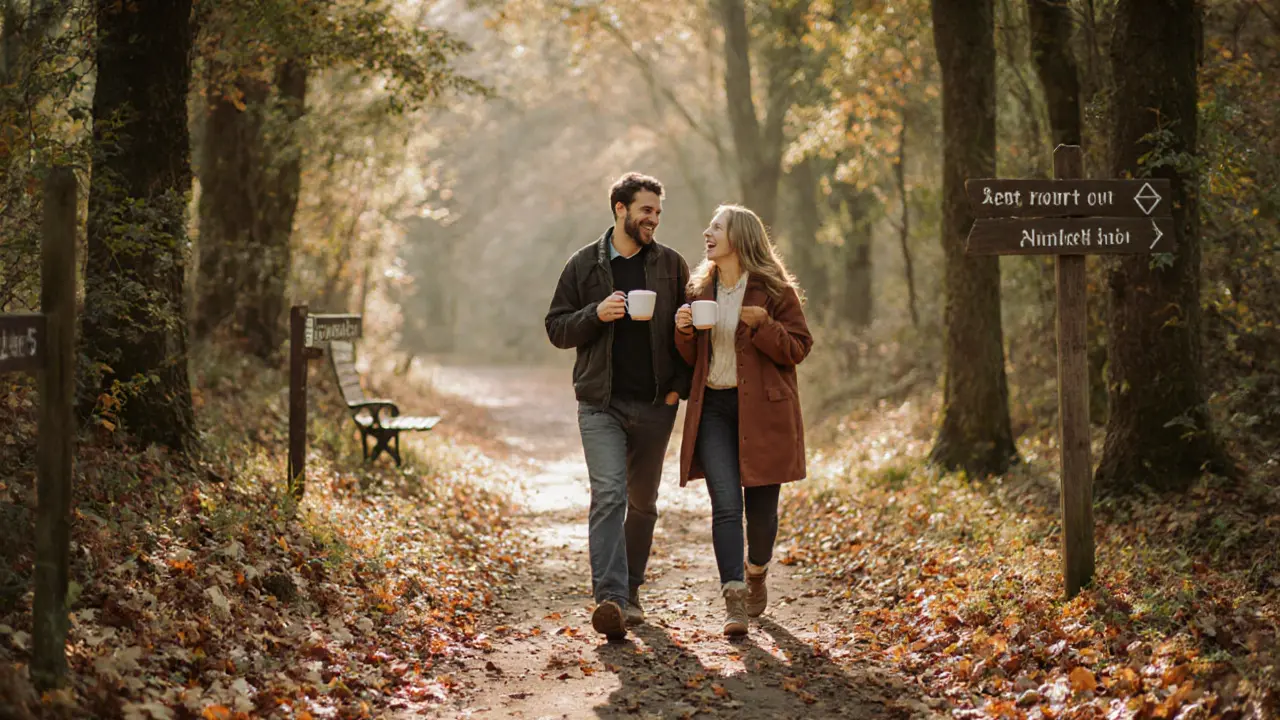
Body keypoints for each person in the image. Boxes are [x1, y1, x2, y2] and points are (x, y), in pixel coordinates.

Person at [544, 172, 692, 641]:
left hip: (655, 405)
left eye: (658, 212)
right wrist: (595, 314)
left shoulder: (671, 265)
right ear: (620, 209)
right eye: (646, 210)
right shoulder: (584, 265)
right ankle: (609, 598)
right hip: (600, 404)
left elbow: (690, 336)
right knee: (608, 495)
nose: (653, 219)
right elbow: (556, 328)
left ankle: (630, 594)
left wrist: (677, 390)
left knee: (643, 503)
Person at [673, 204, 813, 636]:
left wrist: (766, 325)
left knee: (762, 515)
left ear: (741, 237)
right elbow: (694, 359)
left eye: (717, 227)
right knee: (726, 506)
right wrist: (683, 331)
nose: (707, 232)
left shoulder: (773, 289)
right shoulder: (699, 290)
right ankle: (734, 598)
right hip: (714, 409)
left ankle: (756, 571)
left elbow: (798, 348)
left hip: (764, 412)